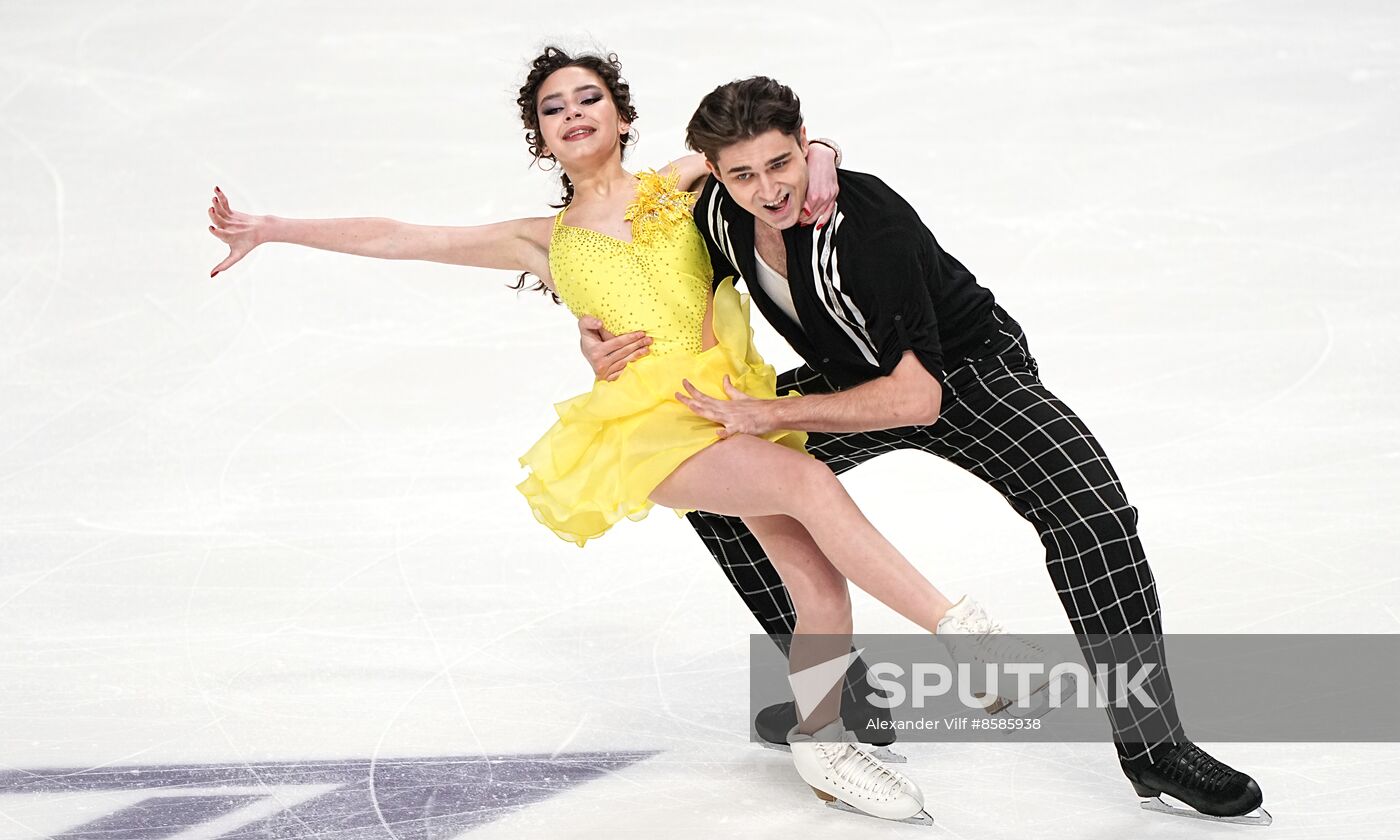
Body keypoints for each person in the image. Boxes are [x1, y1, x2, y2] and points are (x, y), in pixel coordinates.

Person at [204, 46, 1061, 827]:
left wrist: (828, 153)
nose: (573, 113)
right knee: (810, 487)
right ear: (540, 137)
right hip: (645, 430)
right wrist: (272, 228)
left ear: (621, 116)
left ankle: (824, 743)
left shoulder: (675, 189)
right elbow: (400, 237)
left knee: (820, 591)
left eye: (589, 98)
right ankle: (964, 635)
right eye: (552, 107)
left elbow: (774, 150)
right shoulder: (542, 239)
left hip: (724, 405)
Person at [578, 75, 1271, 826]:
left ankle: (1154, 748)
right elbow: (649, 208)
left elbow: (917, 400)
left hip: (965, 371)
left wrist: (766, 412)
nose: (769, 189)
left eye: (781, 164)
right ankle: (840, 697)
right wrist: (593, 329)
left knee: (1092, 512)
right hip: (852, 378)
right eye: (742, 173)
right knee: (718, 491)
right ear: (716, 174)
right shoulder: (719, 208)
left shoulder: (865, 223)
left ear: (805, 147)